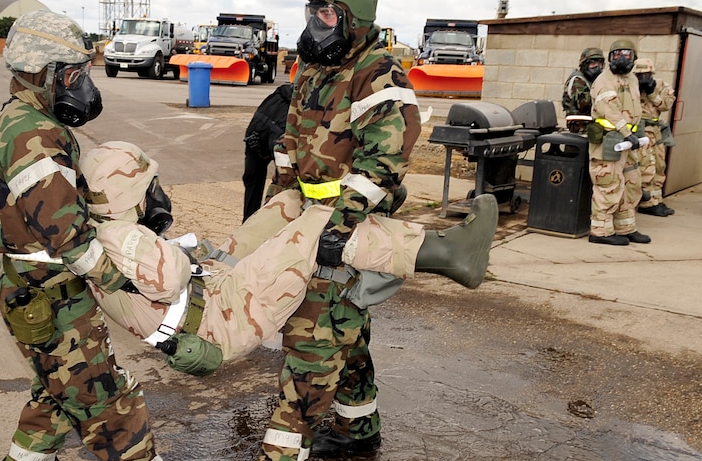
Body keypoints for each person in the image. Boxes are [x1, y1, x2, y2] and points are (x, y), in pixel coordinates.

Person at [215, 0, 467, 461]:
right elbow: (293, 141)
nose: (316, 21)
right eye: (311, 9)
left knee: (311, 345)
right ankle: (358, 427)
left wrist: (340, 223)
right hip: (305, 215)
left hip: (339, 227)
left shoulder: (378, 74)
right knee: (348, 329)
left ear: (355, 19)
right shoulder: (312, 64)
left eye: (327, 12)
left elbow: (386, 161)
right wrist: (279, 207)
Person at [0, 10, 216, 461]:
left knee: (60, 382)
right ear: (43, 72)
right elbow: (68, 234)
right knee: (102, 391)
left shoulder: (18, 118)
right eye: (73, 74)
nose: (80, 85)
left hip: (30, 284)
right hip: (52, 289)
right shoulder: (35, 137)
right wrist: (123, 280)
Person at [80, 141, 498, 376]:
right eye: (149, 186)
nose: (158, 193)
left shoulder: (103, 231)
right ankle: (447, 253)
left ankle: (375, 231)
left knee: (290, 203)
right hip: (225, 318)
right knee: (322, 221)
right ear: (127, 193)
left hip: (213, 290)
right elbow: (168, 278)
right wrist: (163, 246)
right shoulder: (119, 233)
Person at [586, 39, 651, 246]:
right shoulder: (604, 80)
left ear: (634, 58)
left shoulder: (632, 79)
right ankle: (600, 231)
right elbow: (610, 110)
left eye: (626, 54)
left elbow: (636, 109)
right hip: (610, 140)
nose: (621, 58)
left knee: (631, 184)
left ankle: (626, 227)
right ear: (610, 57)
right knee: (608, 185)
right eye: (616, 54)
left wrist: (638, 135)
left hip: (630, 142)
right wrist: (625, 132)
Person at [242, 83, 293, 222]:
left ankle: (259, 223)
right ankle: (249, 224)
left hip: (264, 134)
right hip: (258, 135)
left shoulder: (283, 139)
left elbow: (282, 181)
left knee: (283, 184)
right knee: (253, 178)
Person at [634, 58, 677, 217]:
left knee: (659, 166)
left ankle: (656, 200)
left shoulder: (660, 85)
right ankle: (647, 203)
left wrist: (652, 93)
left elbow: (665, 105)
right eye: (639, 75)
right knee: (647, 167)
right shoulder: (629, 87)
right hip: (641, 131)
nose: (642, 78)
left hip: (656, 131)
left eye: (646, 74)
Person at [562, 47, 605, 134]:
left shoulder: (592, 81)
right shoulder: (577, 80)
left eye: (599, 63)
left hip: (591, 125)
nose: (597, 67)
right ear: (584, 64)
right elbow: (585, 105)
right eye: (593, 63)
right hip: (580, 127)